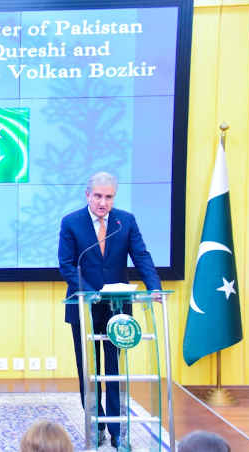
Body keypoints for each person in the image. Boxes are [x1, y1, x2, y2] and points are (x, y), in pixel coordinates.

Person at [57, 172, 161, 449]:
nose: (103, 202)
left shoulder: (124, 221)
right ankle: (97, 424)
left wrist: (154, 287)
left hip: (118, 308)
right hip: (84, 306)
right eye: (98, 196)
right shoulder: (71, 223)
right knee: (89, 370)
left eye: (109, 197)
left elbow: (141, 255)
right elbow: (67, 265)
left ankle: (116, 430)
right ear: (87, 195)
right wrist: (92, 293)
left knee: (115, 370)